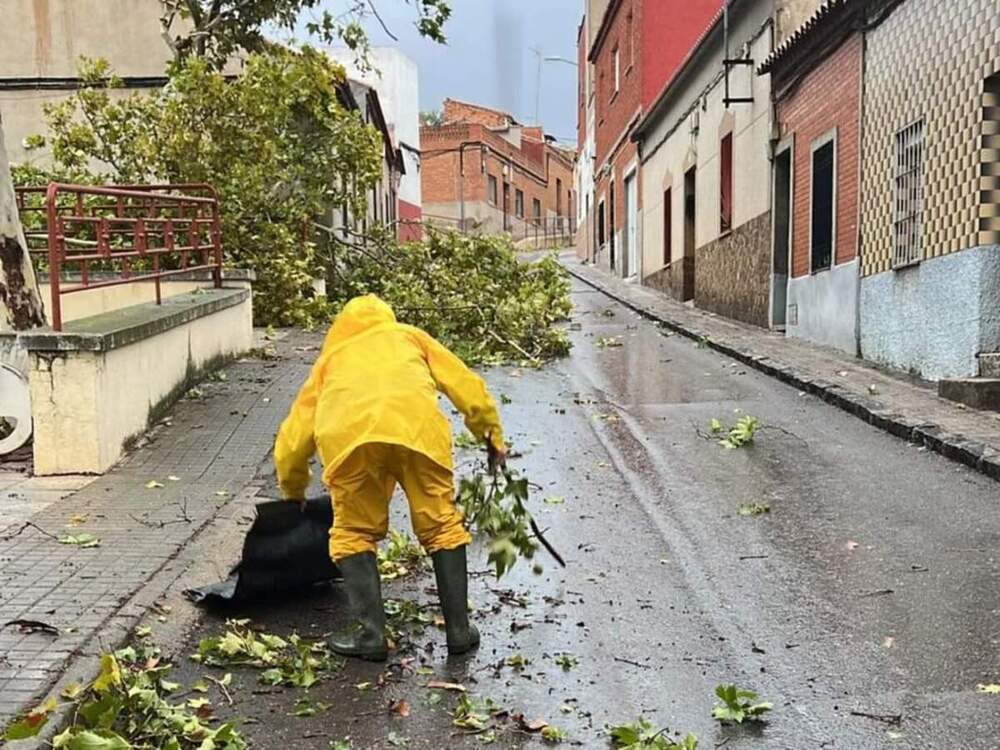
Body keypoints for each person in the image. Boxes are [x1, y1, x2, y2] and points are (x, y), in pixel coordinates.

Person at [274, 294, 506, 661]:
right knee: (441, 523)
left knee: (354, 531)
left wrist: (293, 488)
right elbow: (467, 387)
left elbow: (294, 436)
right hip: (417, 434)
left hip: (351, 443)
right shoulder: (410, 336)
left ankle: (371, 636)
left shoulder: (330, 360)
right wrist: (491, 436)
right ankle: (459, 631)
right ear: (387, 318)